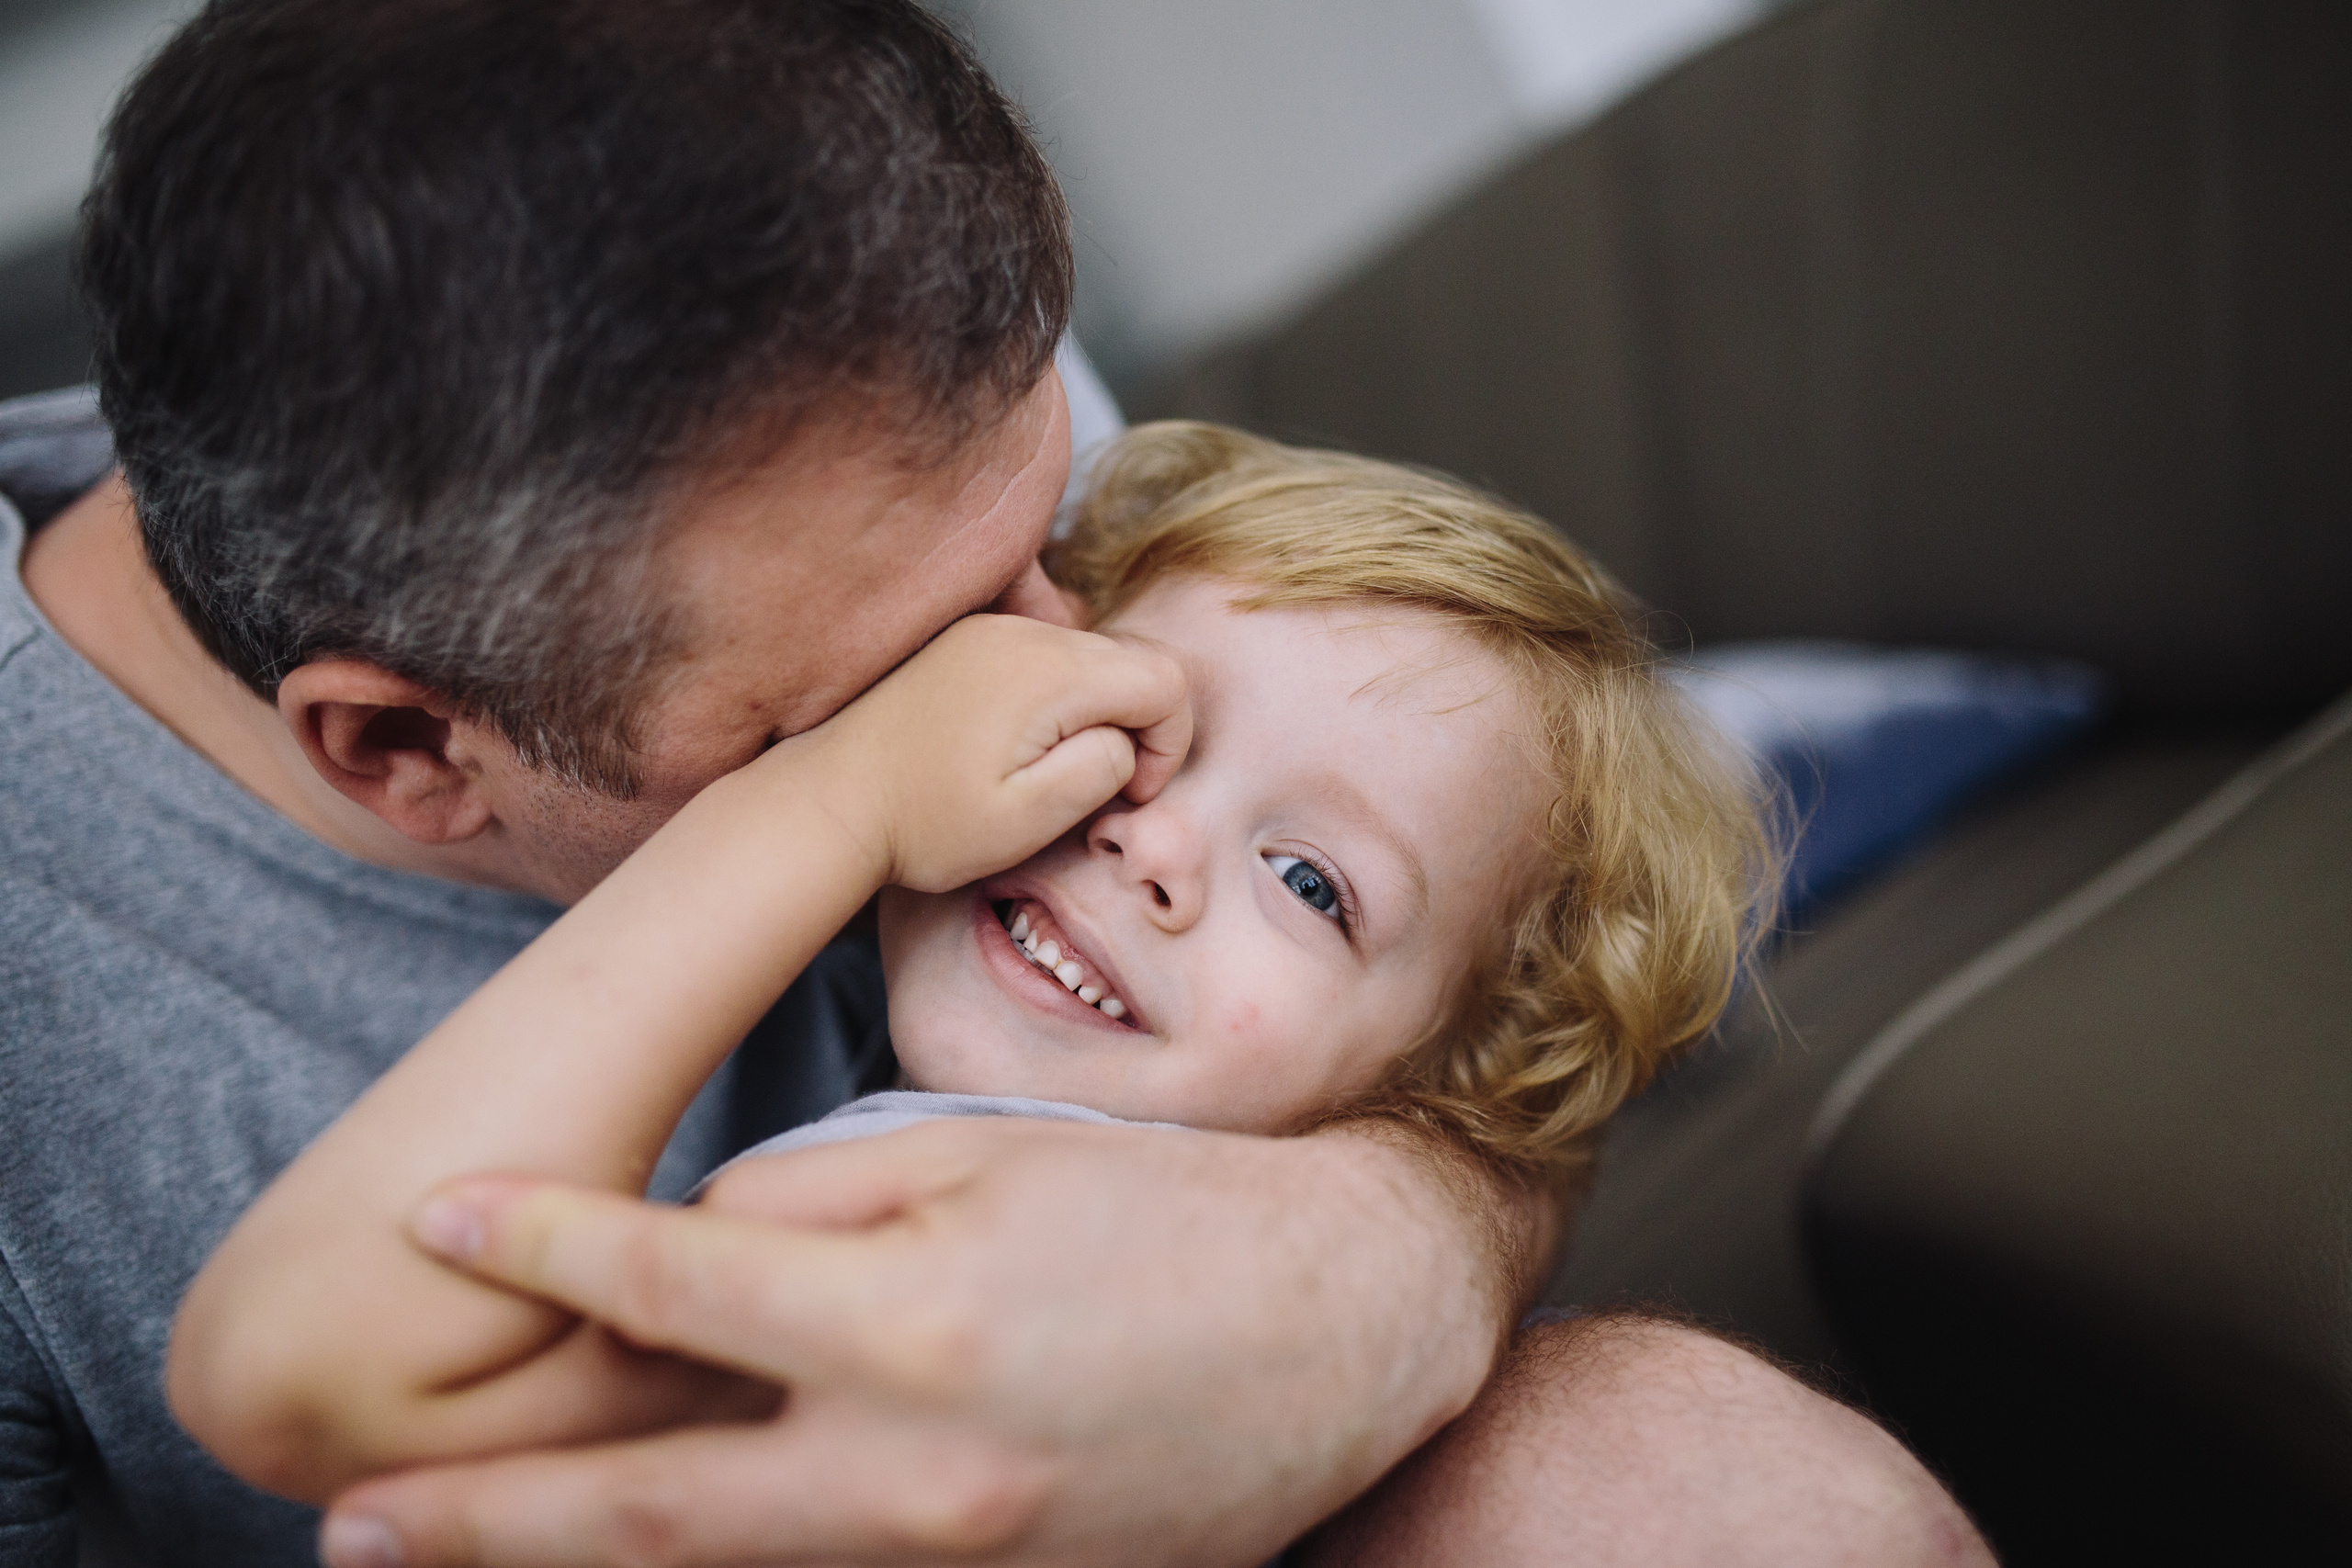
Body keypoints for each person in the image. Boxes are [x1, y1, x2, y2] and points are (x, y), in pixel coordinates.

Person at [0, 1, 1991, 1563]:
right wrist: (834, 805)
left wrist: (1379, 1260)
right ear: (408, 750)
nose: (1075, 706)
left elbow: (1478, 951)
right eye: (876, 696)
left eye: (1047, 533)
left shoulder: (884, 400)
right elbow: (302, 1364)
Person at [166, 423, 1774, 1520]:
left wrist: (839, 802)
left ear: (1438, 1082)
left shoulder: (955, 1236)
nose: (1154, 842)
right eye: (1133, 729)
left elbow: (300, 1357)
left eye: (1311, 884)